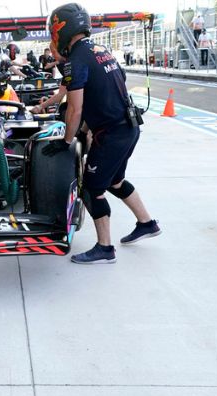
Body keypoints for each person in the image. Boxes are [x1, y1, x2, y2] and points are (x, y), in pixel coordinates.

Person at [46, 3, 160, 264]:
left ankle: (105, 248)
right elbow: (103, 95)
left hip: (111, 135)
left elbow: (75, 110)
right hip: (129, 128)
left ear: (61, 28)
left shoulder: (76, 60)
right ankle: (147, 223)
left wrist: (66, 142)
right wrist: (84, 131)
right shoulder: (101, 51)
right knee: (115, 181)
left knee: (92, 189)